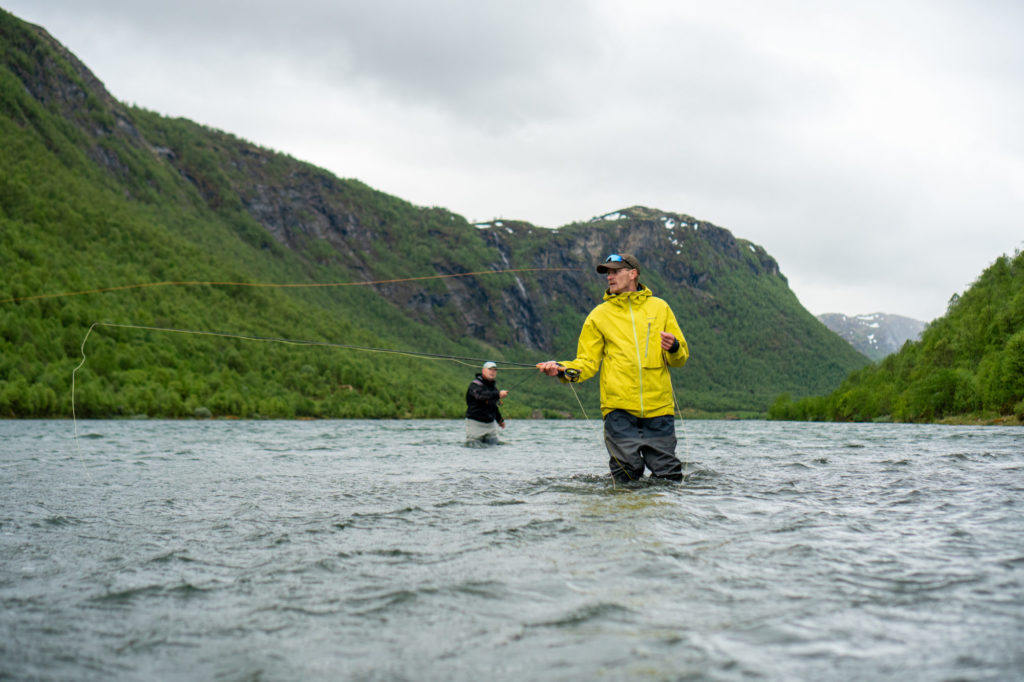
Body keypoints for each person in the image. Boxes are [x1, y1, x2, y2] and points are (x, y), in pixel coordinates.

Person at [538, 253, 689, 482]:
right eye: (607, 273)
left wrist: (674, 347)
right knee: (625, 476)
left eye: (615, 271)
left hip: (660, 409)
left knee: (669, 477)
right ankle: (620, 518)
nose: (610, 277)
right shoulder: (598, 316)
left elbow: (680, 359)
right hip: (618, 411)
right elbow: (586, 363)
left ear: (633, 273)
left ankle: (662, 519)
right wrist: (560, 369)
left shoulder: (661, 308)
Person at [465, 361, 508, 445]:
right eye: (490, 369)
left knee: (494, 445)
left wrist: (500, 420)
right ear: (483, 371)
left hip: (490, 425)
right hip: (475, 423)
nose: (492, 372)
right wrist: (498, 394)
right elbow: (480, 396)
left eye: (495, 370)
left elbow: (493, 406)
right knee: (474, 446)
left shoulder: (494, 388)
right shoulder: (474, 385)